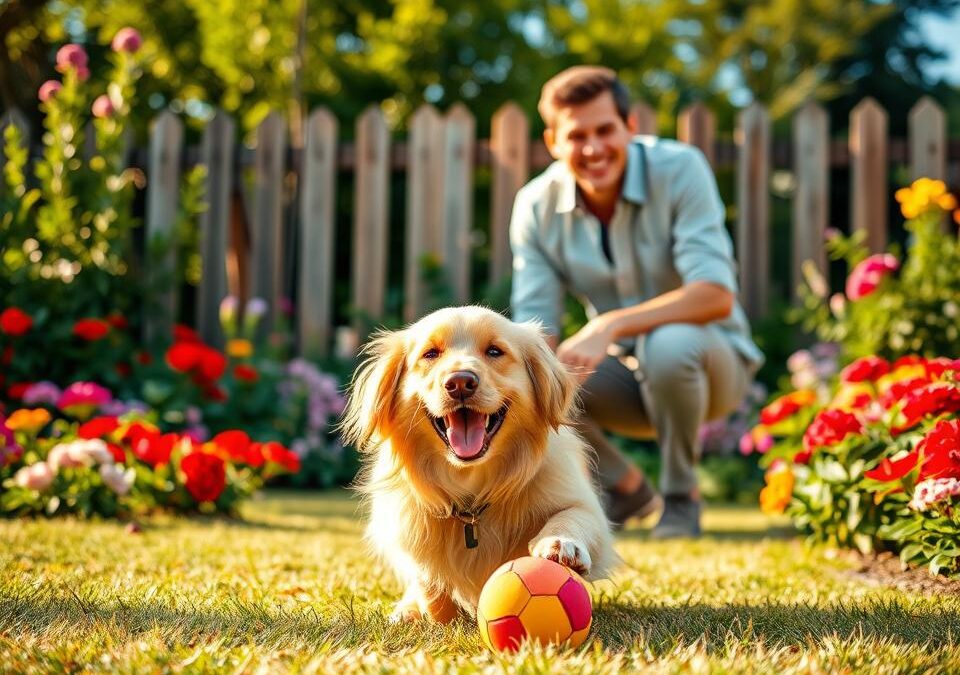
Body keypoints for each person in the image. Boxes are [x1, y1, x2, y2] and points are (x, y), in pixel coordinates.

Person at [509, 66, 764, 538]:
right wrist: (533, 375)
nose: (592, 148)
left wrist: (610, 325)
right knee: (532, 377)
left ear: (630, 127)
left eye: (605, 130)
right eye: (576, 135)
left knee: (670, 344)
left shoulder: (681, 168)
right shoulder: (535, 206)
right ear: (552, 142)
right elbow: (534, 325)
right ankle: (626, 487)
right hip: (621, 378)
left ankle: (682, 497)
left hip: (711, 367)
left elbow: (715, 294)